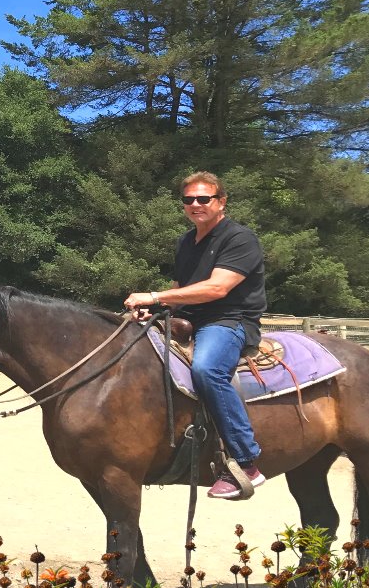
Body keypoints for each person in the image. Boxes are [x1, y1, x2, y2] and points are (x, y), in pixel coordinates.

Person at [123, 171, 267, 499]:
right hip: (189, 319)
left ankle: (246, 461)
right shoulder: (186, 242)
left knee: (207, 370)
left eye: (204, 198)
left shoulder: (239, 238)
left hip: (229, 320)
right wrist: (155, 309)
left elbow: (217, 288)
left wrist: (155, 296)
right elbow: (181, 289)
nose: (196, 204)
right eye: (189, 199)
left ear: (222, 202)